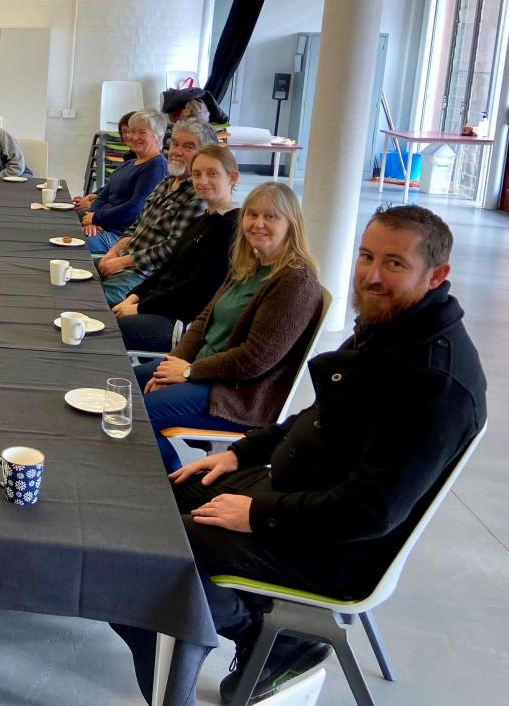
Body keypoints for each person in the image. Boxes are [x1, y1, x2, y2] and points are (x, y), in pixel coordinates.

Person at [117, 205, 486, 705]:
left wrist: (257, 514)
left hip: (333, 546)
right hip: (292, 494)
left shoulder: (432, 381)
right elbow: (317, 415)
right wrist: (241, 453)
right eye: (366, 256)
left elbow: (370, 511)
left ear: (436, 274)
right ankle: (243, 634)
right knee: (147, 509)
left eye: (394, 263)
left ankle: (266, 640)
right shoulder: (395, 325)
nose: (371, 275)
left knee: (146, 557)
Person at [134, 181, 323, 473]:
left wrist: (187, 372)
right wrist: (174, 364)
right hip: (202, 373)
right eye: (252, 214)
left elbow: (255, 359)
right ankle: (162, 471)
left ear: (291, 224)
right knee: (120, 383)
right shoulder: (248, 266)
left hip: (236, 394)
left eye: (271, 216)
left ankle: (170, 486)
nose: (258, 223)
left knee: (135, 412)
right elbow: (202, 322)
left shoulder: (295, 281)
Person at [113, 145, 241, 352]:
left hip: (183, 321)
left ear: (232, 178)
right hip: (160, 306)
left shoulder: (231, 226)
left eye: (212, 174)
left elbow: (198, 290)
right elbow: (168, 268)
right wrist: (134, 296)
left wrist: (139, 308)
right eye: (197, 174)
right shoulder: (202, 219)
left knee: (106, 330)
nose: (203, 181)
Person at [96, 120, 216, 304]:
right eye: (175, 144)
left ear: (205, 155)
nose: (177, 151)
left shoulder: (198, 195)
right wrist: (113, 253)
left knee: (86, 300)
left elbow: (172, 248)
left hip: (145, 277)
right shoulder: (166, 182)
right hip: (124, 261)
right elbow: (136, 225)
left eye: (188, 146)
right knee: (67, 270)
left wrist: (121, 262)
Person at [78, 110, 169, 254]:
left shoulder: (156, 167)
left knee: (69, 240)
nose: (134, 137)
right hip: (103, 224)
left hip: (119, 235)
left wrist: (97, 218)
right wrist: (93, 217)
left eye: (142, 133)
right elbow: (105, 194)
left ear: (158, 137)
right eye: (132, 131)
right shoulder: (129, 163)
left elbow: (135, 209)